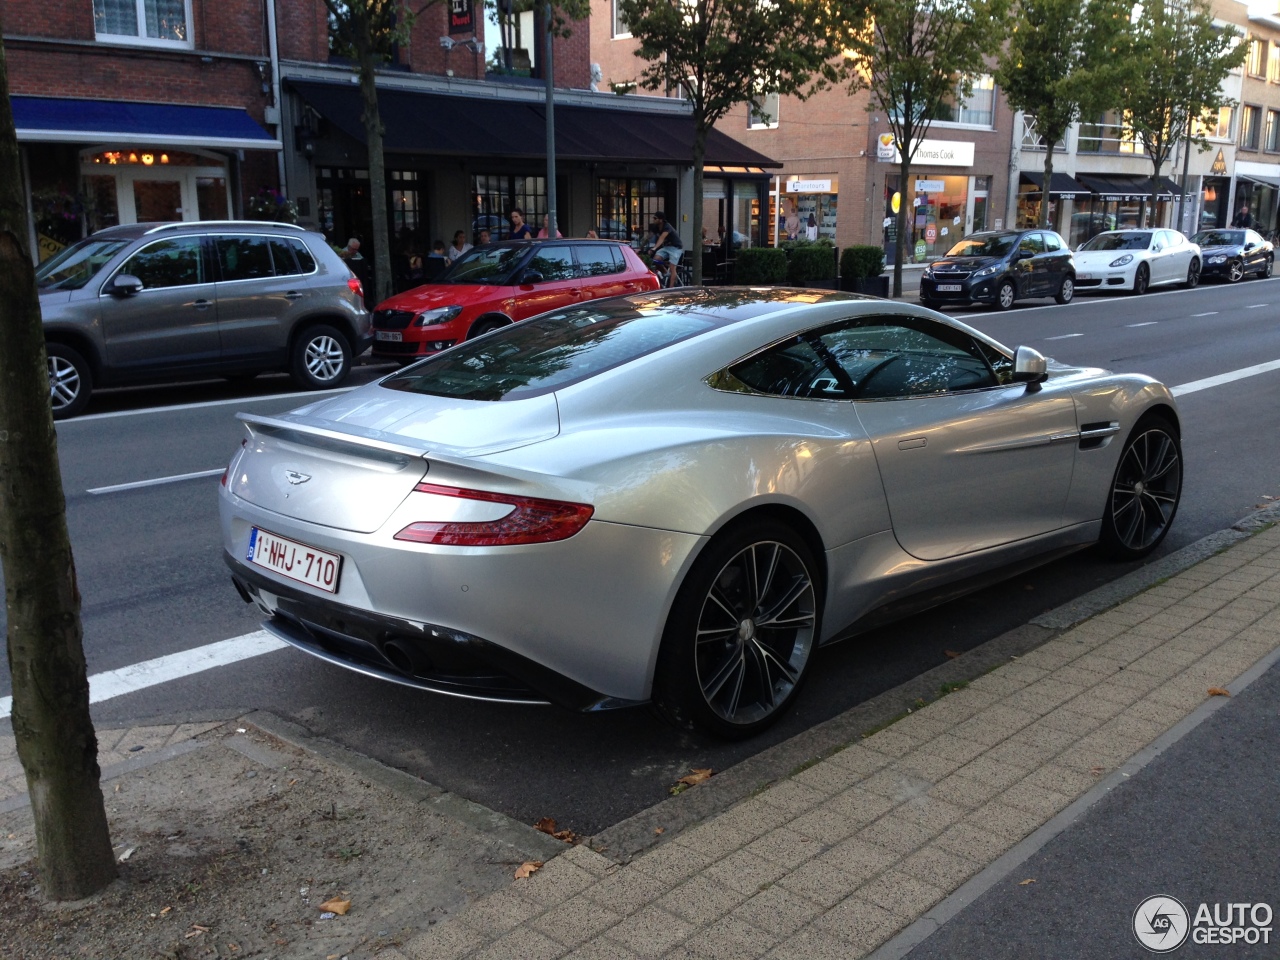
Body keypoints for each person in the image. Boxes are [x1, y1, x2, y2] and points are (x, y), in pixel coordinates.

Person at [648, 210, 683, 287]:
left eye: (655, 218)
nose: (653, 219)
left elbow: (661, 238)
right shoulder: (656, 227)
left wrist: (654, 248)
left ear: (661, 220)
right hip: (666, 247)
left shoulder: (667, 227)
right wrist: (640, 248)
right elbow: (648, 237)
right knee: (656, 260)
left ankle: (670, 289)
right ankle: (665, 272)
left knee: (672, 267)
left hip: (676, 248)